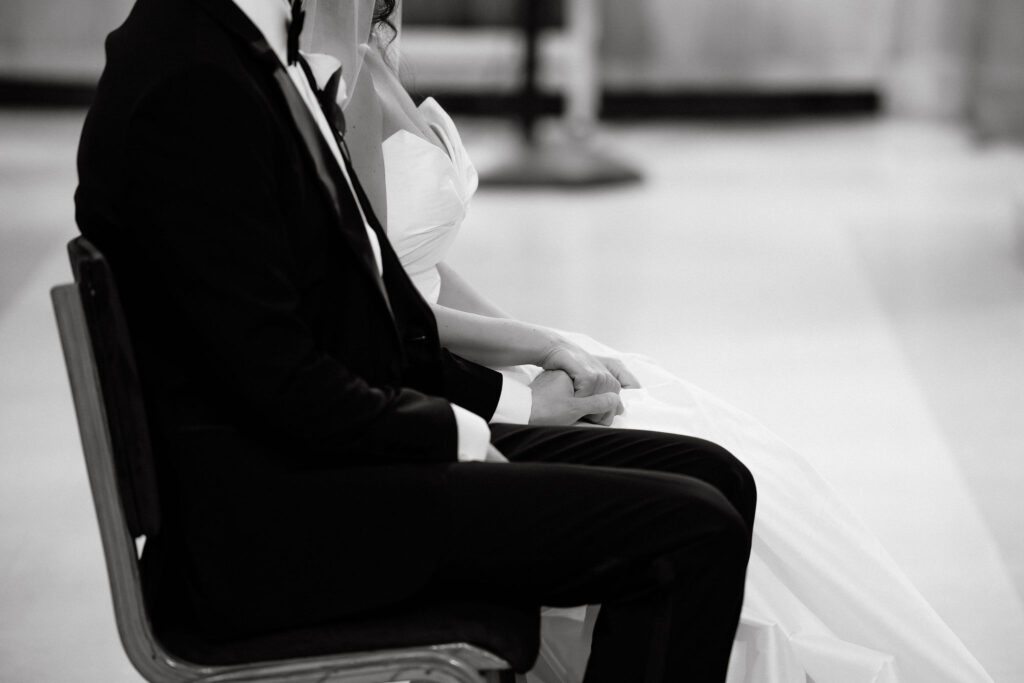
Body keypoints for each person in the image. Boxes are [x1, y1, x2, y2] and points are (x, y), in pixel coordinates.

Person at [73, 0, 755, 681]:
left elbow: (369, 311)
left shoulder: (238, 44)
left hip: (326, 459)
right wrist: (458, 435)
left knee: (719, 478)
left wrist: (511, 402)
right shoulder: (192, 81)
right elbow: (282, 378)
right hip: (276, 525)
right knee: (695, 533)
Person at [314, 1, 997, 681]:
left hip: (453, 344)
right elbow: (386, 299)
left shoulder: (370, 42)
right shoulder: (323, 65)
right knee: (710, 492)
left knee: (748, 459)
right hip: (426, 370)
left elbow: (420, 264)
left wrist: (540, 341)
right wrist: (527, 367)